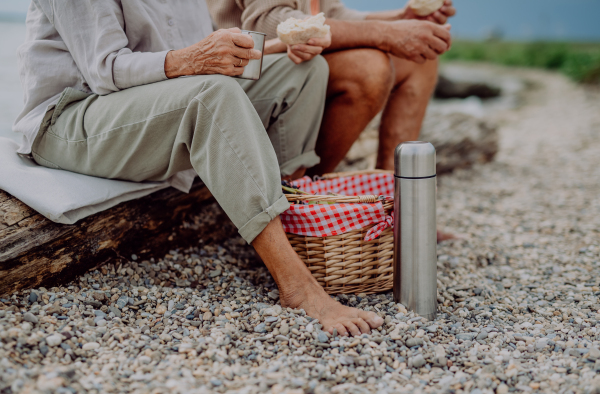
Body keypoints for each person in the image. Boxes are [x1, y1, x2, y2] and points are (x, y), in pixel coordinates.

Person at [14, 0, 383, 337]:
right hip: (72, 119)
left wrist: (278, 48)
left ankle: (297, 236)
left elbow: (203, 57)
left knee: (302, 70)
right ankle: (297, 286)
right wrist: (193, 60)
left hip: (154, 102)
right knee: (212, 95)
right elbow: (106, 70)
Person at [208, 0, 456, 175]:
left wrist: (402, 19)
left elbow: (331, 13)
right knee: (368, 69)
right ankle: (304, 199)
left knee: (421, 55)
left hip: (290, 59)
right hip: (246, 70)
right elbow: (270, 26)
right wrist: (384, 33)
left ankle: (397, 201)